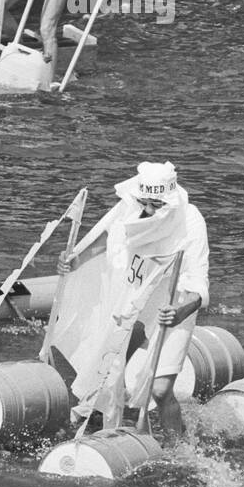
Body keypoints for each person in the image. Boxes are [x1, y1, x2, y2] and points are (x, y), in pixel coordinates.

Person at [56, 160, 209, 437]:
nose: (149, 210)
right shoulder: (132, 205)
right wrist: (76, 259)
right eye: (145, 203)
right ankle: (102, 421)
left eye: (157, 205)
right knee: (107, 366)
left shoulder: (192, 220)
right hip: (133, 294)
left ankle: (181, 449)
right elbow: (112, 237)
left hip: (174, 301)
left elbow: (199, 289)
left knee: (161, 390)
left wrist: (179, 311)